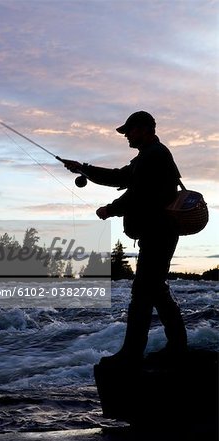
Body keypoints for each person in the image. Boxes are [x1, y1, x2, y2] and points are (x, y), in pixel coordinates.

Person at [63, 111, 187, 362]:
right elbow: (119, 176)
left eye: (129, 131)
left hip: (159, 233)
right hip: (158, 233)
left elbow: (138, 195)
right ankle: (177, 346)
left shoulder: (155, 155)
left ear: (143, 129)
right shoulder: (147, 156)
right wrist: (83, 169)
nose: (126, 136)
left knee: (142, 293)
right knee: (156, 291)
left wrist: (110, 209)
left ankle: (132, 353)